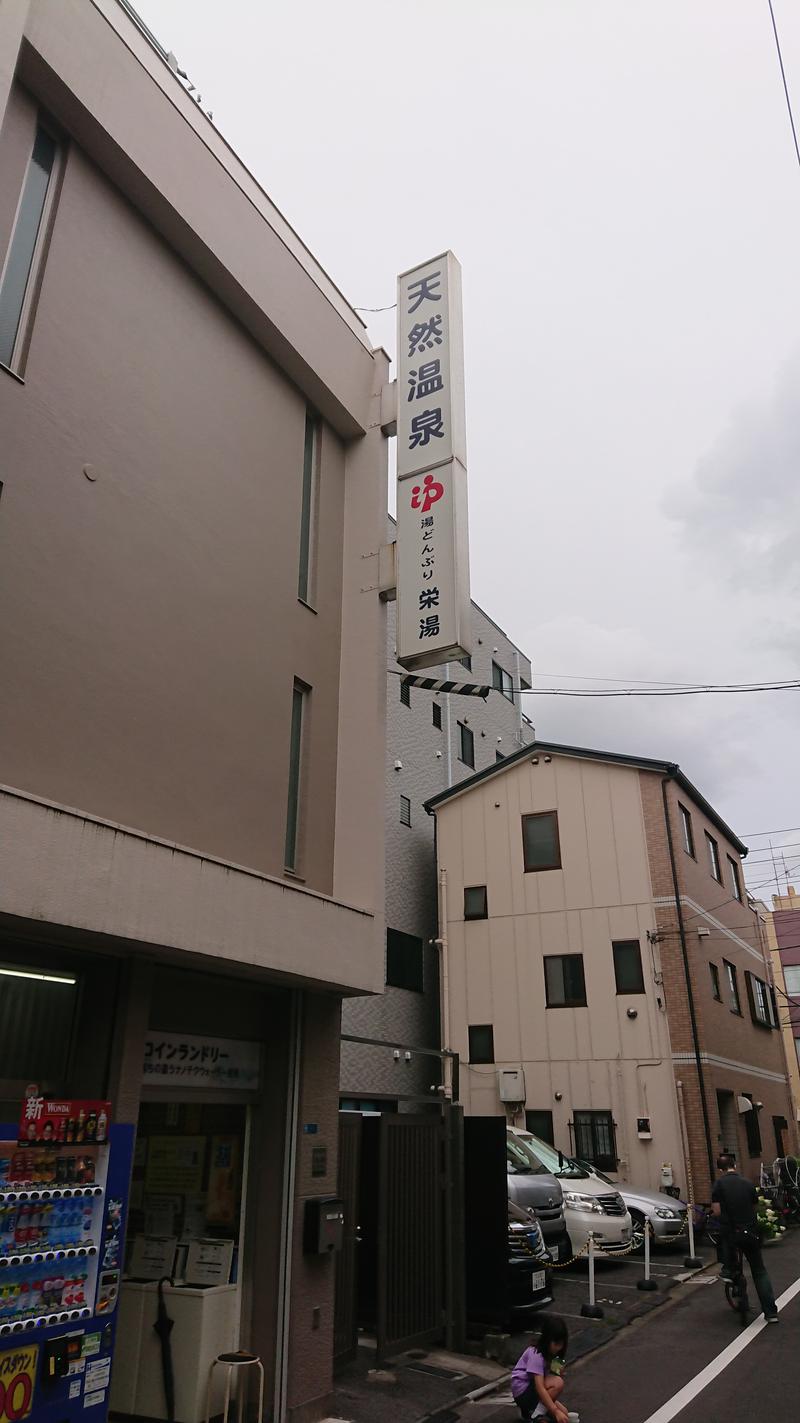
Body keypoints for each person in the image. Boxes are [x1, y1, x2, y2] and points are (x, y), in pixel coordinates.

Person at [712, 1152, 778, 1322]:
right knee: (759, 1270)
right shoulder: (747, 1183)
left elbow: (717, 1211)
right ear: (735, 1165)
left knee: (724, 1244)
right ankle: (771, 1313)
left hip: (732, 1234)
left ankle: (728, 1271)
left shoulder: (718, 1185)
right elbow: (755, 1206)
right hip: (750, 1232)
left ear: (720, 1169)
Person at [510, 1314, 579, 1423]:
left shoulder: (555, 1353)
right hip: (523, 1391)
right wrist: (555, 1411)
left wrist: (558, 1370)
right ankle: (535, 1415)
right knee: (558, 1384)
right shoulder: (536, 1354)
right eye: (556, 1344)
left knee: (564, 1413)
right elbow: (540, 1387)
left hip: (532, 1390)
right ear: (547, 1339)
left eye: (561, 1344)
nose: (558, 1348)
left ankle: (529, 1412)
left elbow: (555, 1375)